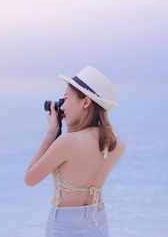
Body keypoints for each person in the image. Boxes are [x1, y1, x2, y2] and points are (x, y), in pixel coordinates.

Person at [24, 66, 125, 237]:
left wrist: (52, 132)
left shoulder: (68, 142)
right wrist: (71, 125)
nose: (62, 106)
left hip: (66, 225)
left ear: (86, 102)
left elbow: (30, 178)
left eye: (66, 98)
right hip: (98, 220)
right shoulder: (116, 144)